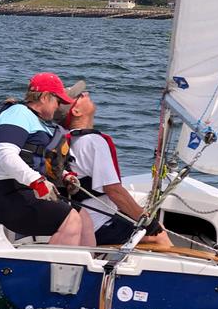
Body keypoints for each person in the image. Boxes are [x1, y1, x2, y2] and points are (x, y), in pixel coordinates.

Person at [0, 72, 95, 246]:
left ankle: (88, 270)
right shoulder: (18, 113)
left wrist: (65, 175)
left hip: (18, 191)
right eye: (57, 101)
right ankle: (54, 272)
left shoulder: (41, 123)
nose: (58, 107)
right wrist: (37, 182)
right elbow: (5, 154)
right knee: (71, 219)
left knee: (84, 217)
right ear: (44, 97)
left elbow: (38, 159)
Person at [56, 85, 172, 248]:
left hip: (79, 220)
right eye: (80, 95)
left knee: (153, 228)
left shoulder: (68, 140)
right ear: (76, 112)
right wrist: (147, 222)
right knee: (160, 237)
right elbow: (114, 191)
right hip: (99, 224)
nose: (86, 93)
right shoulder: (94, 142)